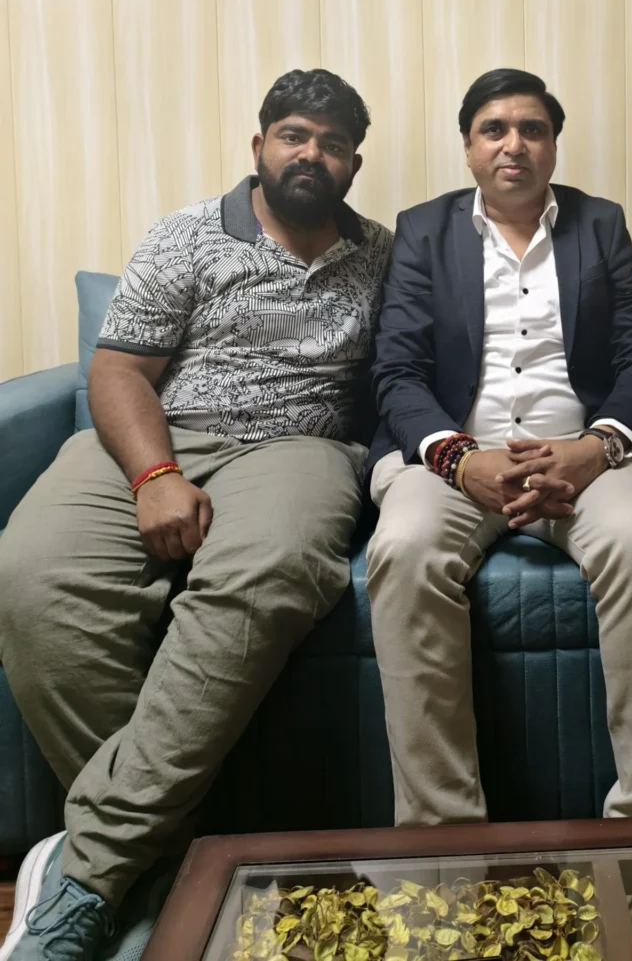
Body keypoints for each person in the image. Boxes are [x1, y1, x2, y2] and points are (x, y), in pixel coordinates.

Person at [0, 68, 392, 961]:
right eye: (294, 135)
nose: (311, 154)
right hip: (159, 432)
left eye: (332, 144)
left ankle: (88, 873)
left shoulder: (382, 254)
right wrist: (155, 474)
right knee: (33, 572)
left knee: (267, 573)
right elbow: (118, 370)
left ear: (353, 164)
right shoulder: (185, 235)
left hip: (297, 446)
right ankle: (175, 861)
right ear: (259, 146)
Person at [365, 68, 632, 958]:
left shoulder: (600, 224)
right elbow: (396, 370)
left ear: (554, 142)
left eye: (532, 128)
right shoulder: (424, 231)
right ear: (467, 145)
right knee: (401, 550)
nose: (513, 144)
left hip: (581, 456)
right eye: (493, 128)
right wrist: (459, 459)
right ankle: (442, 858)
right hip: (456, 456)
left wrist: (595, 448)